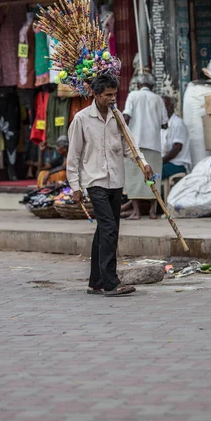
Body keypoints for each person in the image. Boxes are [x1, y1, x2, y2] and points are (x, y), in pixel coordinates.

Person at [67, 74, 153, 297]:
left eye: (115, 94)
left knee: (104, 230)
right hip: (94, 182)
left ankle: (95, 282)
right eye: (108, 95)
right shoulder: (81, 119)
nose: (112, 99)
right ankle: (110, 282)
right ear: (96, 95)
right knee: (109, 229)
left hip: (115, 181)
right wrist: (75, 186)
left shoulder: (118, 117)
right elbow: (73, 156)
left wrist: (143, 163)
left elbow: (130, 145)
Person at [122, 73, 168, 220]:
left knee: (134, 178)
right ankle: (152, 212)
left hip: (135, 145)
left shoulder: (133, 95)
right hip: (154, 144)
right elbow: (165, 124)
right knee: (153, 177)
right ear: (152, 86)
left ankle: (136, 212)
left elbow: (126, 117)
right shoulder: (158, 99)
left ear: (138, 85)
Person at [161, 96, 192, 179]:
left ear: (170, 108)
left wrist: (161, 161)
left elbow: (177, 148)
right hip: (168, 163)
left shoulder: (178, 124)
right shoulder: (163, 124)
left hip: (177, 164)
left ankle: (154, 191)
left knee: (153, 172)